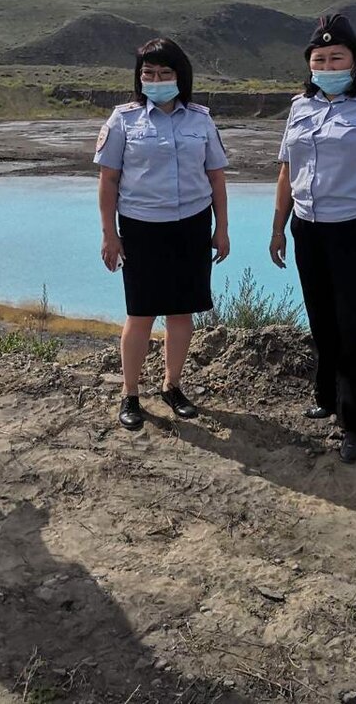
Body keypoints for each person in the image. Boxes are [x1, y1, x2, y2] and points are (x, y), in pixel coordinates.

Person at [269, 14, 356, 463]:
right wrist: (278, 226)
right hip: (308, 227)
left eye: (336, 58)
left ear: (355, 61)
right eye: (319, 59)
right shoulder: (300, 107)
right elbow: (287, 171)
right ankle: (328, 397)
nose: (327, 66)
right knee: (322, 320)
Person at [95, 38, 230, 431]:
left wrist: (222, 228)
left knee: (181, 312)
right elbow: (108, 180)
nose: (156, 80)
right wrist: (109, 234)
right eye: (148, 73)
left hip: (191, 225)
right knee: (140, 313)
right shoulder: (123, 120)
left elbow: (216, 178)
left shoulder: (200, 120)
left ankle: (172, 386)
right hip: (141, 228)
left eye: (164, 73)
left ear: (180, 76)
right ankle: (130, 394)